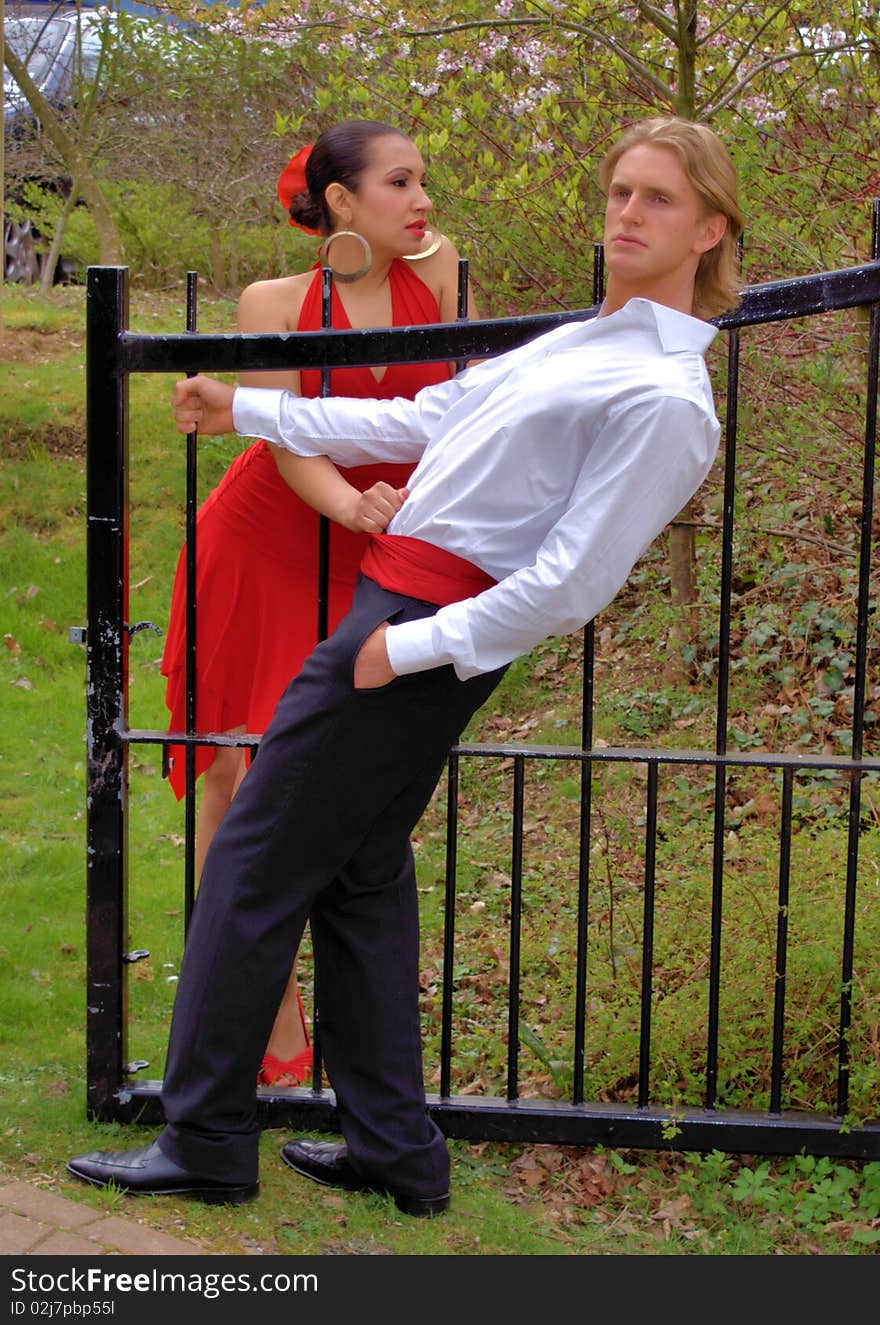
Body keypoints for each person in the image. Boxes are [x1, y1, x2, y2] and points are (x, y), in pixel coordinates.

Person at [68, 115, 743, 1215]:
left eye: (658, 199)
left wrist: (405, 646)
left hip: (426, 622)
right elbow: (426, 413)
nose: (627, 214)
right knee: (356, 871)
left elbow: (571, 582)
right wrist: (248, 404)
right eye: (620, 190)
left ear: (709, 228)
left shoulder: (667, 400)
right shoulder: (588, 339)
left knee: (253, 860)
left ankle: (204, 1138)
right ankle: (395, 1149)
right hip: (400, 595)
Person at [160, 119, 479, 1089]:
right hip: (268, 539)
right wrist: (352, 502)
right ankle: (263, 1010)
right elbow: (287, 435)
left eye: (423, 179)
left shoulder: (445, 269)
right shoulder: (273, 300)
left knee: (335, 781)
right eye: (399, 181)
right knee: (237, 768)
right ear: (341, 202)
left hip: (382, 552)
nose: (421, 198)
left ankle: (348, 1013)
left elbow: (472, 402)